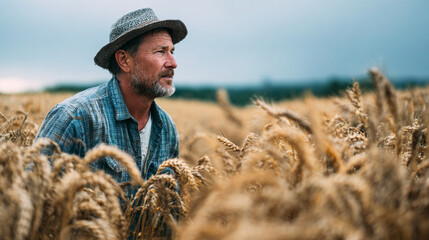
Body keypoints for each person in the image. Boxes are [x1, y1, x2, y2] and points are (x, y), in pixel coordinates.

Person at [35, 8, 187, 196]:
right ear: (124, 60)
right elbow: (32, 195)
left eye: (172, 51)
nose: (173, 62)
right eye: (160, 52)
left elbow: (169, 210)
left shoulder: (167, 128)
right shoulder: (75, 117)